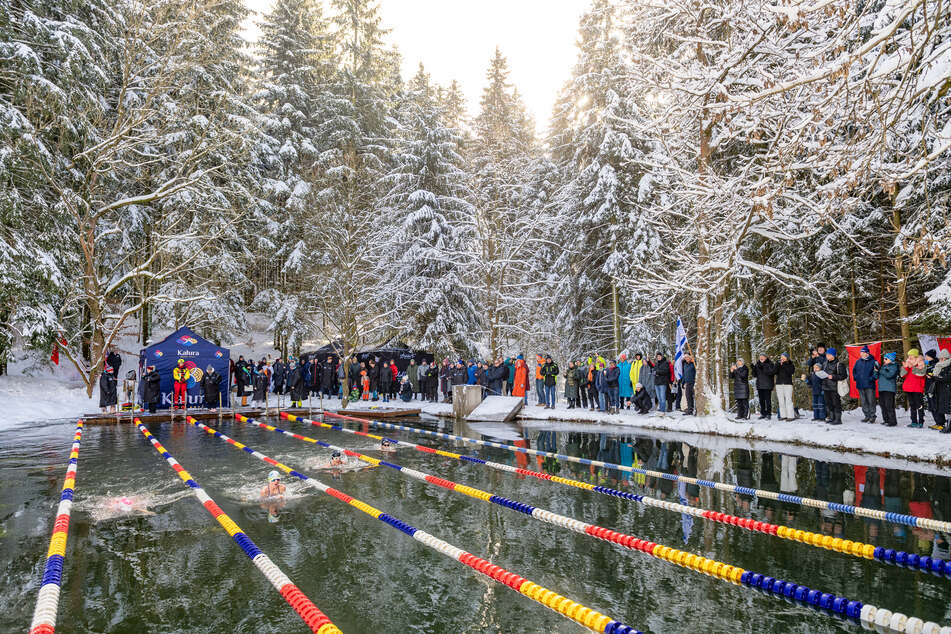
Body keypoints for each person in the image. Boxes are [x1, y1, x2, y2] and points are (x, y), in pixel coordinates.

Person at [816, 348, 847, 425]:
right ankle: (832, 418)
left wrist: (833, 376)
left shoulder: (839, 364)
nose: (827, 356)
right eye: (827, 354)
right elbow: (823, 372)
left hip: (834, 387)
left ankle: (838, 419)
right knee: (828, 403)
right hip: (825, 387)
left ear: (833, 355)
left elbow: (843, 376)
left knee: (836, 403)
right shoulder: (825, 363)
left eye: (829, 355)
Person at [853, 345, 880, 423]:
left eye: (862, 352)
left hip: (869, 385)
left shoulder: (873, 362)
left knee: (871, 401)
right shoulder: (858, 362)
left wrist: (871, 379)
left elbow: (876, 373)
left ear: (867, 353)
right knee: (864, 401)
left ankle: (872, 416)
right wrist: (856, 378)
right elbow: (854, 371)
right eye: (861, 352)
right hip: (860, 385)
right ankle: (866, 416)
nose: (861, 354)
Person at [901, 348, 927, 428]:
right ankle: (914, 422)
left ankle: (921, 422)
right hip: (908, 388)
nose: (910, 358)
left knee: (919, 405)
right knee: (912, 406)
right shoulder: (908, 365)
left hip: (917, 389)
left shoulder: (921, 364)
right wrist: (906, 367)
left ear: (916, 357)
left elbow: (920, 374)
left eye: (912, 356)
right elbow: (902, 375)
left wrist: (912, 366)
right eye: (909, 356)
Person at [931, 349, 951, 433]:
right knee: (946, 409)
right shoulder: (939, 366)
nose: (940, 360)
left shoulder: (949, 366)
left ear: (946, 358)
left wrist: (937, 378)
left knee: (949, 409)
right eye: (940, 359)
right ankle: (948, 426)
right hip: (941, 390)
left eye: (942, 359)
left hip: (948, 390)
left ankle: (949, 427)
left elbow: (948, 378)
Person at [877, 352, 899, 427]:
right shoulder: (883, 366)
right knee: (882, 405)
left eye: (886, 358)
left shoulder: (894, 366)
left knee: (889, 405)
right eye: (884, 358)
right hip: (881, 388)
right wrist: (876, 370)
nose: (884, 360)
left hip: (889, 389)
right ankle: (886, 420)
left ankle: (892, 421)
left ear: (891, 359)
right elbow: (876, 376)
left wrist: (881, 370)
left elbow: (889, 375)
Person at [751, 354, 776, 420]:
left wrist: (763, 368)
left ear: (766, 357)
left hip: (768, 385)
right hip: (760, 385)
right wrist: (753, 369)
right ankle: (763, 414)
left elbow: (771, 373)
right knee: (761, 401)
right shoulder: (757, 364)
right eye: (760, 357)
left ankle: (768, 414)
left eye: (762, 357)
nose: (761, 358)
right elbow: (754, 375)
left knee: (768, 401)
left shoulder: (770, 363)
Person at [774, 353, 796, 421]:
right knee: (781, 400)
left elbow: (790, 372)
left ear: (787, 358)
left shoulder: (790, 364)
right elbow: (774, 372)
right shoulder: (778, 364)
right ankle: (783, 415)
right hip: (779, 384)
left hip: (788, 384)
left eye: (783, 357)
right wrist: (777, 365)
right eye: (781, 357)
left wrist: (784, 364)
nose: (782, 358)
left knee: (788, 400)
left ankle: (790, 416)